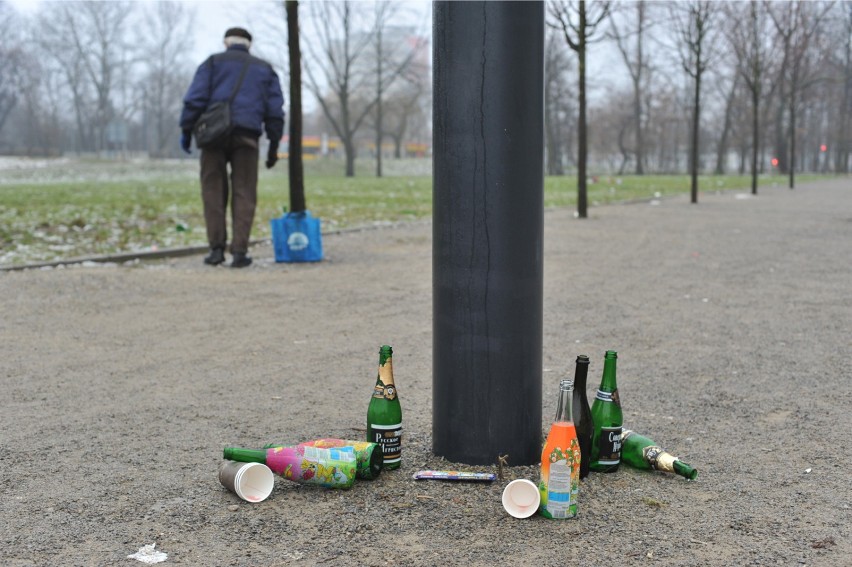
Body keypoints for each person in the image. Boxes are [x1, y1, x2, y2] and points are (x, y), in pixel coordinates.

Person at [179, 27, 285, 268]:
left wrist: (186, 130)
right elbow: (275, 111)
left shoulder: (212, 64)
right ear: (249, 44)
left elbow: (195, 99)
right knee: (245, 192)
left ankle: (216, 249)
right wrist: (274, 144)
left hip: (214, 136)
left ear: (226, 43)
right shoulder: (264, 69)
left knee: (212, 190)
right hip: (247, 136)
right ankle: (239, 252)